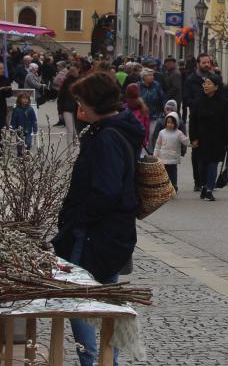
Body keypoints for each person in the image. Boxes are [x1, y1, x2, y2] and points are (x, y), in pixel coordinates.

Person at [52, 71, 143, 366]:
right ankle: (106, 362)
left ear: (93, 104)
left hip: (95, 235)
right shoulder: (116, 130)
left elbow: (106, 190)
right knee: (104, 306)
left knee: (81, 307)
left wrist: (77, 219)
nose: (78, 108)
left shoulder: (107, 138)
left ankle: (96, 363)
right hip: (111, 234)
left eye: (81, 102)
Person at [189, 65, 228, 202]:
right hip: (201, 139)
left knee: (213, 164)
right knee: (202, 165)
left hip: (217, 139)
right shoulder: (198, 101)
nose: (206, 86)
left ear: (216, 87)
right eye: (205, 83)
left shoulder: (224, 103)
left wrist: (227, 140)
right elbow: (193, 121)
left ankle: (209, 189)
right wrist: (193, 138)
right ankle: (203, 185)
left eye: (209, 83)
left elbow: (227, 123)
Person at [185, 54, 224, 191]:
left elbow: (223, 98)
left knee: (212, 158)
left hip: (214, 126)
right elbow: (186, 98)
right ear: (198, 64)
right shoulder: (191, 79)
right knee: (198, 157)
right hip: (198, 118)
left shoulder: (216, 79)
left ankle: (208, 184)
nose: (207, 64)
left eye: (208, 62)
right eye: (204, 62)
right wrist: (197, 103)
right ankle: (199, 181)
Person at [154, 111, 190, 191]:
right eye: (168, 122)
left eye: (172, 123)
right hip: (163, 157)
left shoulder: (178, 133)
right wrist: (155, 155)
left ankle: (174, 185)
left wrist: (191, 144)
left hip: (173, 158)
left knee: (173, 173)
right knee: (164, 173)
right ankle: (165, 186)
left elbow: (185, 140)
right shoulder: (162, 133)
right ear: (165, 122)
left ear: (176, 123)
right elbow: (158, 145)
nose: (170, 124)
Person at [56, 62, 81, 148]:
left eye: (73, 71)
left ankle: (74, 146)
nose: (71, 72)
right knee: (70, 130)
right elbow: (61, 96)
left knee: (75, 131)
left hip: (79, 108)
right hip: (67, 108)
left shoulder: (82, 80)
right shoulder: (66, 81)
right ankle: (70, 151)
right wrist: (59, 111)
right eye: (70, 71)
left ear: (78, 69)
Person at [124, 85, 152, 150]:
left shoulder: (124, 108)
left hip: (126, 141)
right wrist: (145, 140)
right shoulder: (143, 108)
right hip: (139, 141)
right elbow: (146, 126)